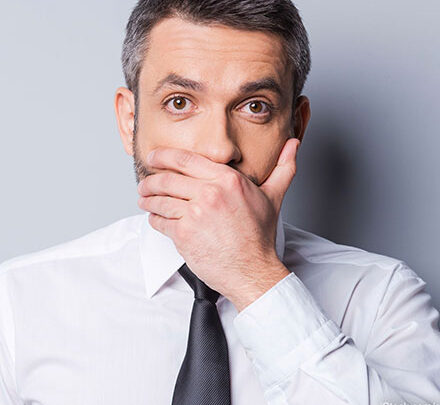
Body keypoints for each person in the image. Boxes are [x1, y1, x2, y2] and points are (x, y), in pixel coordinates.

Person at [1, 0, 439, 404]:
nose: (218, 149)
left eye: (255, 107)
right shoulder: (20, 302)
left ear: (297, 127)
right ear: (129, 121)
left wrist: (254, 278)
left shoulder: (381, 299)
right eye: (180, 102)